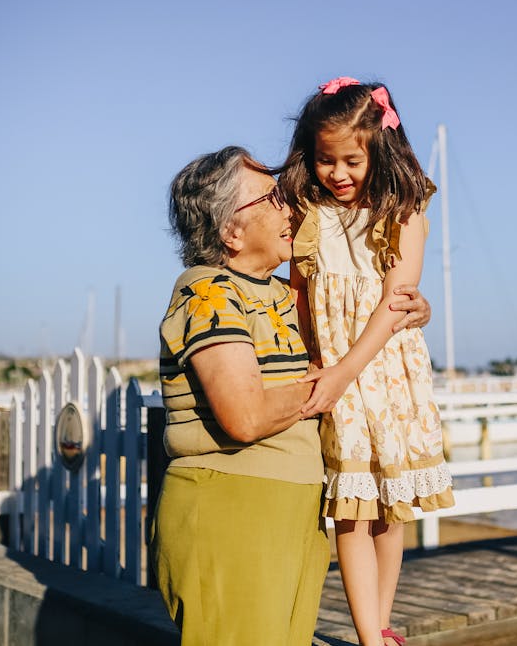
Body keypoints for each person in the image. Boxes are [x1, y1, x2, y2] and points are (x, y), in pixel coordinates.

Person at [152, 145, 432, 646]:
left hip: (291, 514)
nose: (292, 207)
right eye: (274, 197)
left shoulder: (281, 295)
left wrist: (407, 313)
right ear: (229, 231)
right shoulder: (210, 293)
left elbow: (355, 310)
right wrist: (332, 381)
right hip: (232, 511)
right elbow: (246, 415)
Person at [280, 77, 455, 646]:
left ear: (379, 150)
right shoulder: (310, 213)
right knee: (351, 511)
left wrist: (345, 369)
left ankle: (378, 625)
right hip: (332, 372)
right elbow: (301, 295)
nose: (338, 173)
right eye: (326, 160)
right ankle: (368, 636)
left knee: (389, 507)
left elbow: (397, 301)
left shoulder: (404, 211)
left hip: (383, 372)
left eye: (351, 160)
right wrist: (311, 362)